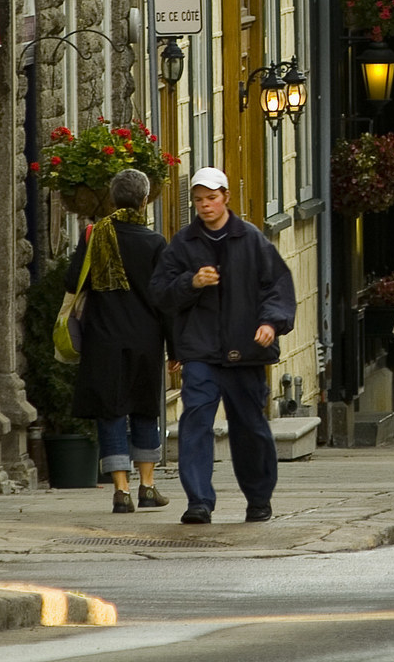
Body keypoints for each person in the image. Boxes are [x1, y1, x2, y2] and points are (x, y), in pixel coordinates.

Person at [152, 167, 296, 525]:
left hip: (244, 351)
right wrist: (192, 281)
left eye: (211, 198)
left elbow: (277, 286)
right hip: (200, 352)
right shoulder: (182, 244)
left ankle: (259, 498)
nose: (205, 205)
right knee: (196, 421)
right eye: (199, 200)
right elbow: (160, 293)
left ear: (226, 198)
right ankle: (199, 501)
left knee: (249, 427)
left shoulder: (252, 240)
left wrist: (270, 323)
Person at [65, 168, 173, 513]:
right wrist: (177, 348)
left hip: (104, 338)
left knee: (110, 412)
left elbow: (71, 281)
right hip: (145, 339)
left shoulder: (95, 236)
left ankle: (121, 491)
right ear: (144, 201)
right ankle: (148, 486)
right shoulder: (154, 243)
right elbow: (165, 299)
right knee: (144, 409)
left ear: (113, 199)